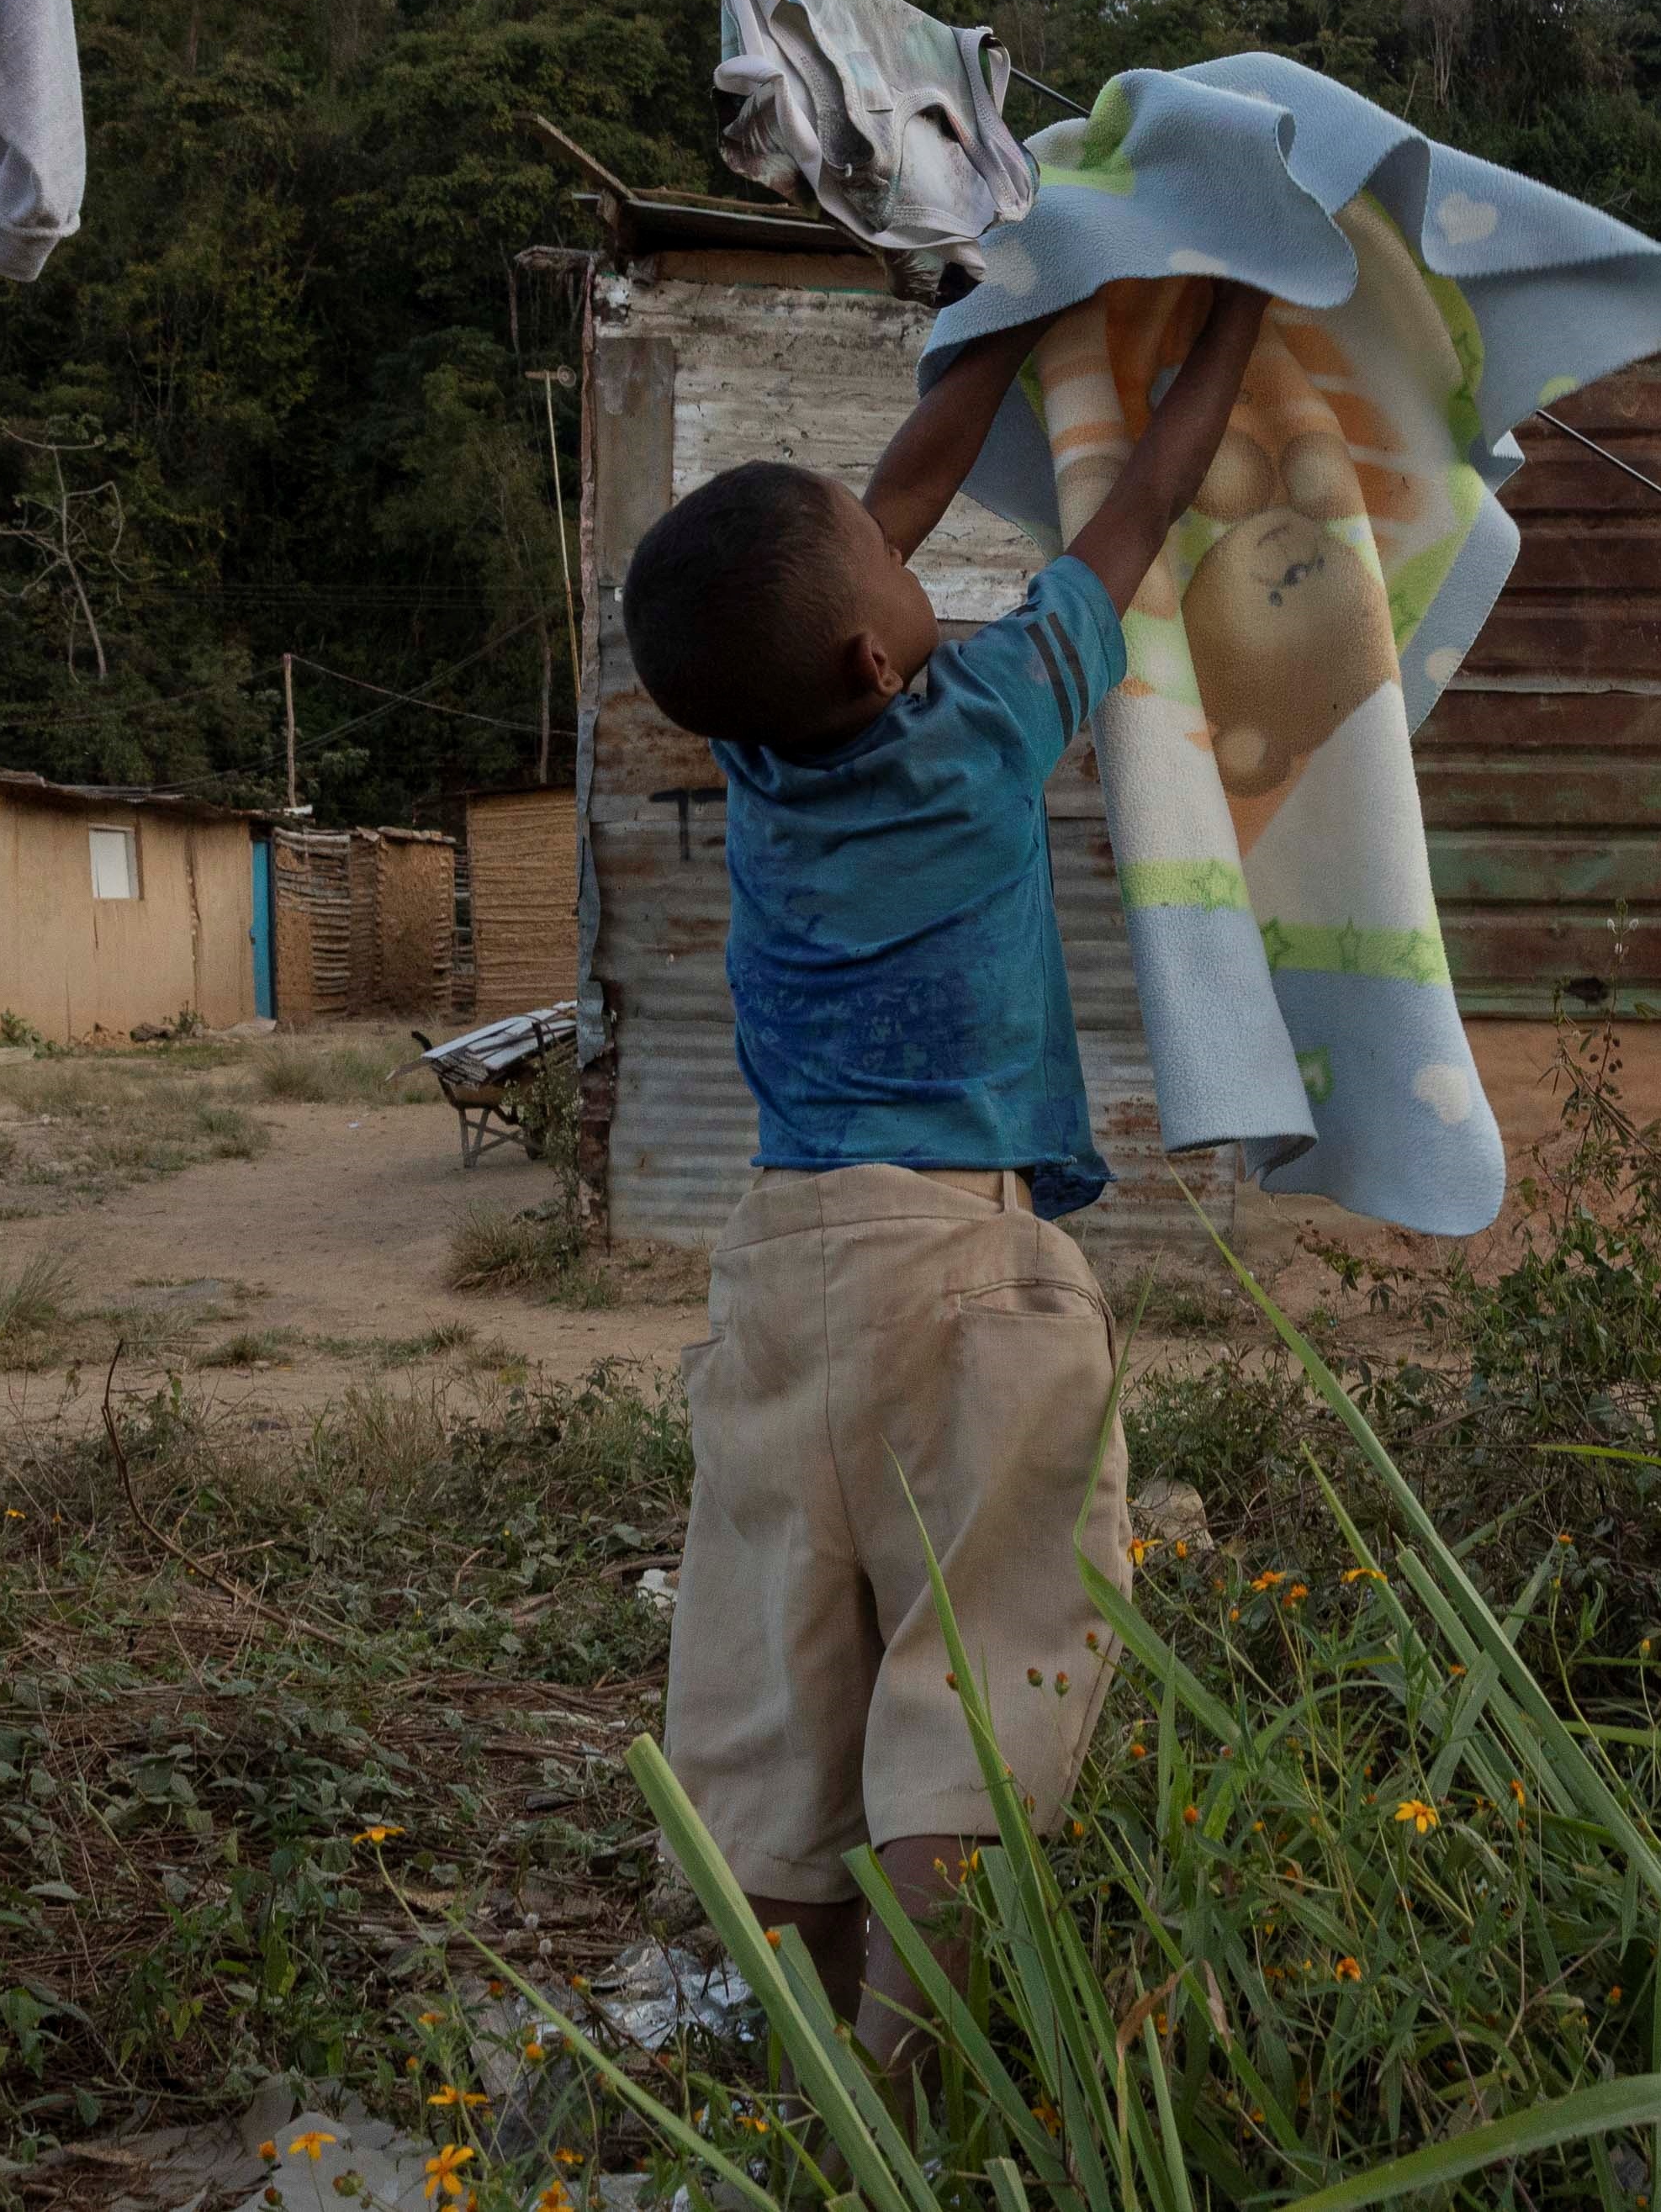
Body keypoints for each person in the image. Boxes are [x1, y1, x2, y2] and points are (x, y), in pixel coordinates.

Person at [617, 277, 1269, 2081]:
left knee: (787, 1660)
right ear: (879, 660)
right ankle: (908, 2098)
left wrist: (1014, 303)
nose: (928, 563)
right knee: (979, 1672)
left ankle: (801, 2059)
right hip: (965, 1261)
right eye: (900, 577)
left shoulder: (755, 751)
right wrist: (1229, 327)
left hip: (779, 1265)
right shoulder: (984, 722)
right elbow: (1133, 513)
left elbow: (879, 503)